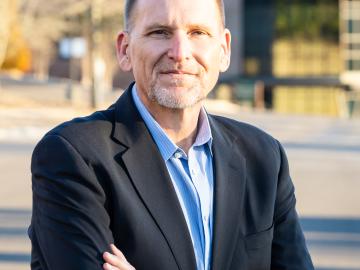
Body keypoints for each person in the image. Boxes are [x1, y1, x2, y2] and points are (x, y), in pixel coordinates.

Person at [28, 0, 314, 269]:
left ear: (224, 49)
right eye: (160, 32)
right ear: (125, 49)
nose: (180, 52)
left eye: (198, 32)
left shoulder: (263, 157)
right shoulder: (73, 156)